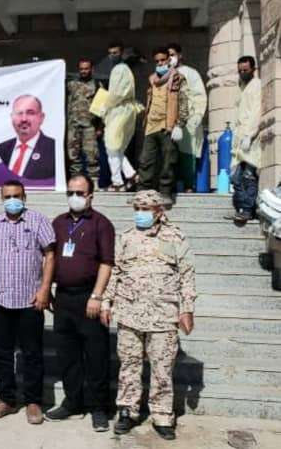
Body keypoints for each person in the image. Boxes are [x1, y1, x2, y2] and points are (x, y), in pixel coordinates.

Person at [101, 190, 196, 440]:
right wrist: (106, 302)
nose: (140, 213)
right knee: (129, 365)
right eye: (137, 209)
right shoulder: (126, 237)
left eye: (145, 209)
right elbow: (115, 272)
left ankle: (162, 415)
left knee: (162, 369)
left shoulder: (175, 237)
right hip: (129, 314)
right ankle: (127, 411)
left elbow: (187, 275)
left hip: (163, 316)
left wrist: (187, 309)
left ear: (158, 211)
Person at [0, 180, 56, 425]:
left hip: (30, 300)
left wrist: (45, 289)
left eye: (17, 196)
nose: (13, 200)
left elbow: (50, 255)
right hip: (0, 299)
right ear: (2, 199)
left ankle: (33, 401)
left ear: (24, 197)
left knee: (32, 353)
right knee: (2, 353)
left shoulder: (38, 220)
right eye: (8, 196)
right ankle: (7, 400)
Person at [46, 174, 114, 431]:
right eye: (70, 192)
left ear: (90, 196)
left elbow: (107, 262)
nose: (74, 197)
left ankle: (99, 407)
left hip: (89, 297)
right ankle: (72, 401)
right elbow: (50, 258)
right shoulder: (59, 223)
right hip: (64, 297)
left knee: (96, 354)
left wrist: (97, 296)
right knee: (67, 353)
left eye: (80, 193)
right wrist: (47, 289)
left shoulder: (101, 224)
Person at [137, 46, 188, 203]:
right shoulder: (152, 79)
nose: (160, 63)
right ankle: (142, 193)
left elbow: (183, 101)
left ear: (169, 60)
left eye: (163, 60)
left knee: (168, 161)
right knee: (146, 161)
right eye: (157, 61)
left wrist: (180, 124)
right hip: (151, 125)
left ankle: (166, 193)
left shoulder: (178, 78)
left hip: (168, 125)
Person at [167, 43, 207, 193]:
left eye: (172, 55)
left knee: (187, 154)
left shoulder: (190, 73)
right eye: (168, 56)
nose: (170, 58)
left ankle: (189, 186)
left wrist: (197, 115)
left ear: (180, 55)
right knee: (169, 155)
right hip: (169, 121)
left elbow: (199, 95)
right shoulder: (164, 75)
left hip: (187, 121)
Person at [227, 56, 262, 224]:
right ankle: (241, 208)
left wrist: (250, 134)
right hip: (240, 138)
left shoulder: (257, 85)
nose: (242, 73)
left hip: (251, 138)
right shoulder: (241, 87)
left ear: (253, 69)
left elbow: (256, 111)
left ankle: (247, 210)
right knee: (235, 177)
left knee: (248, 176)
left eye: (245, 70)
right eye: (240, 70)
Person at [101, 44, 141, 191]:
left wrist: (104, 107)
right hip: (124, 110)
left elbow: (116, 94)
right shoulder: (124, 69)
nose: (112, 55)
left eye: (115, 52)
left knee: (111, 146)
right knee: (116, 148)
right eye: (110, 53)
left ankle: (117, 182)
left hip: (119, 110)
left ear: (122, 53)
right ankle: (131, 174)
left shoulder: (119, 69)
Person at [0, 95, 56, 180]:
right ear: (12, 117)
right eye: (19, 113)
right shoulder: (0, 150)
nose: (24, 119)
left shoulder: (55, 150)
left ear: (41, 118)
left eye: (30, 113)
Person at [66, 59, 104, 181]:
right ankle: (75, 182)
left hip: (90, 127)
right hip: (73, 126)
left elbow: (102, 108)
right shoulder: (71, 84)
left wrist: (100, 127)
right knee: (73, 157)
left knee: (92, 156)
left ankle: (94, 182)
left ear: (92, 69)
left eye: (86, 68)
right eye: (81, 69)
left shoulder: (97, 85)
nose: (83, 71)